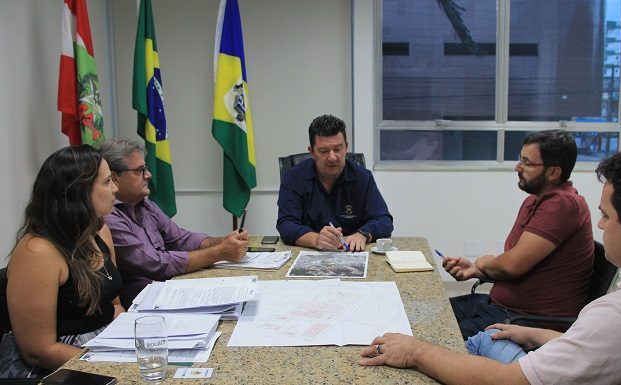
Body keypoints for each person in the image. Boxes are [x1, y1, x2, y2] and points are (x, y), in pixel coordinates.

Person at [359, 141, 621, 384]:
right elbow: (608, 349)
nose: (603, 225)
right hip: (521, 316)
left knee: (443, 341)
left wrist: (417, 353)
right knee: (428, 319)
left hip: (515, 315)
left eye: (607, 216)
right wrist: (541, 336)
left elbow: (512, 380)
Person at [443, 130, 594, 338]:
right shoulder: (534, 200)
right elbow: (513, 263)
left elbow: (511, 265)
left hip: (526, 320)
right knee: (424, 314)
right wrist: (476, 269)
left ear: (553, 172)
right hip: (499, 307)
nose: (518, 168)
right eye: (520, 160)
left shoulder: (562, 205)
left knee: (432, 335)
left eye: (527, 163)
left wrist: (483, 263)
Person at [1, 146, 123, 378]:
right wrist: (112, 365)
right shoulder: (38, 252)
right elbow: (38, 350)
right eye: (107, 182)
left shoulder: (99, 230)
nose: (115, 188)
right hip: (63, 365)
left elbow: (115, 304)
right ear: (79, 192)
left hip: (107, 347)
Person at [100, 138, 248, 308]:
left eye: (146, 168)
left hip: (169, 293)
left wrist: (222, 241)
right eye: (139, 170)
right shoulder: (109, 217)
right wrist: (220, 252)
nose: (148, 175)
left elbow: (180, 239)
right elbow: (155, 263)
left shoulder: (146, 205)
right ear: (114, 178)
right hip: (142, 307)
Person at [276, 114, 393, 252]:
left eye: (338, 149)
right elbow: (286, 223)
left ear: (346, 147)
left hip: (351, 253)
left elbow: (384, 220)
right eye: (324, 151)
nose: (332, 157)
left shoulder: (363, 178)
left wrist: (362, 235)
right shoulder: (293, 178)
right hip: (310, 253)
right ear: (312, 152)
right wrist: (315, 239)